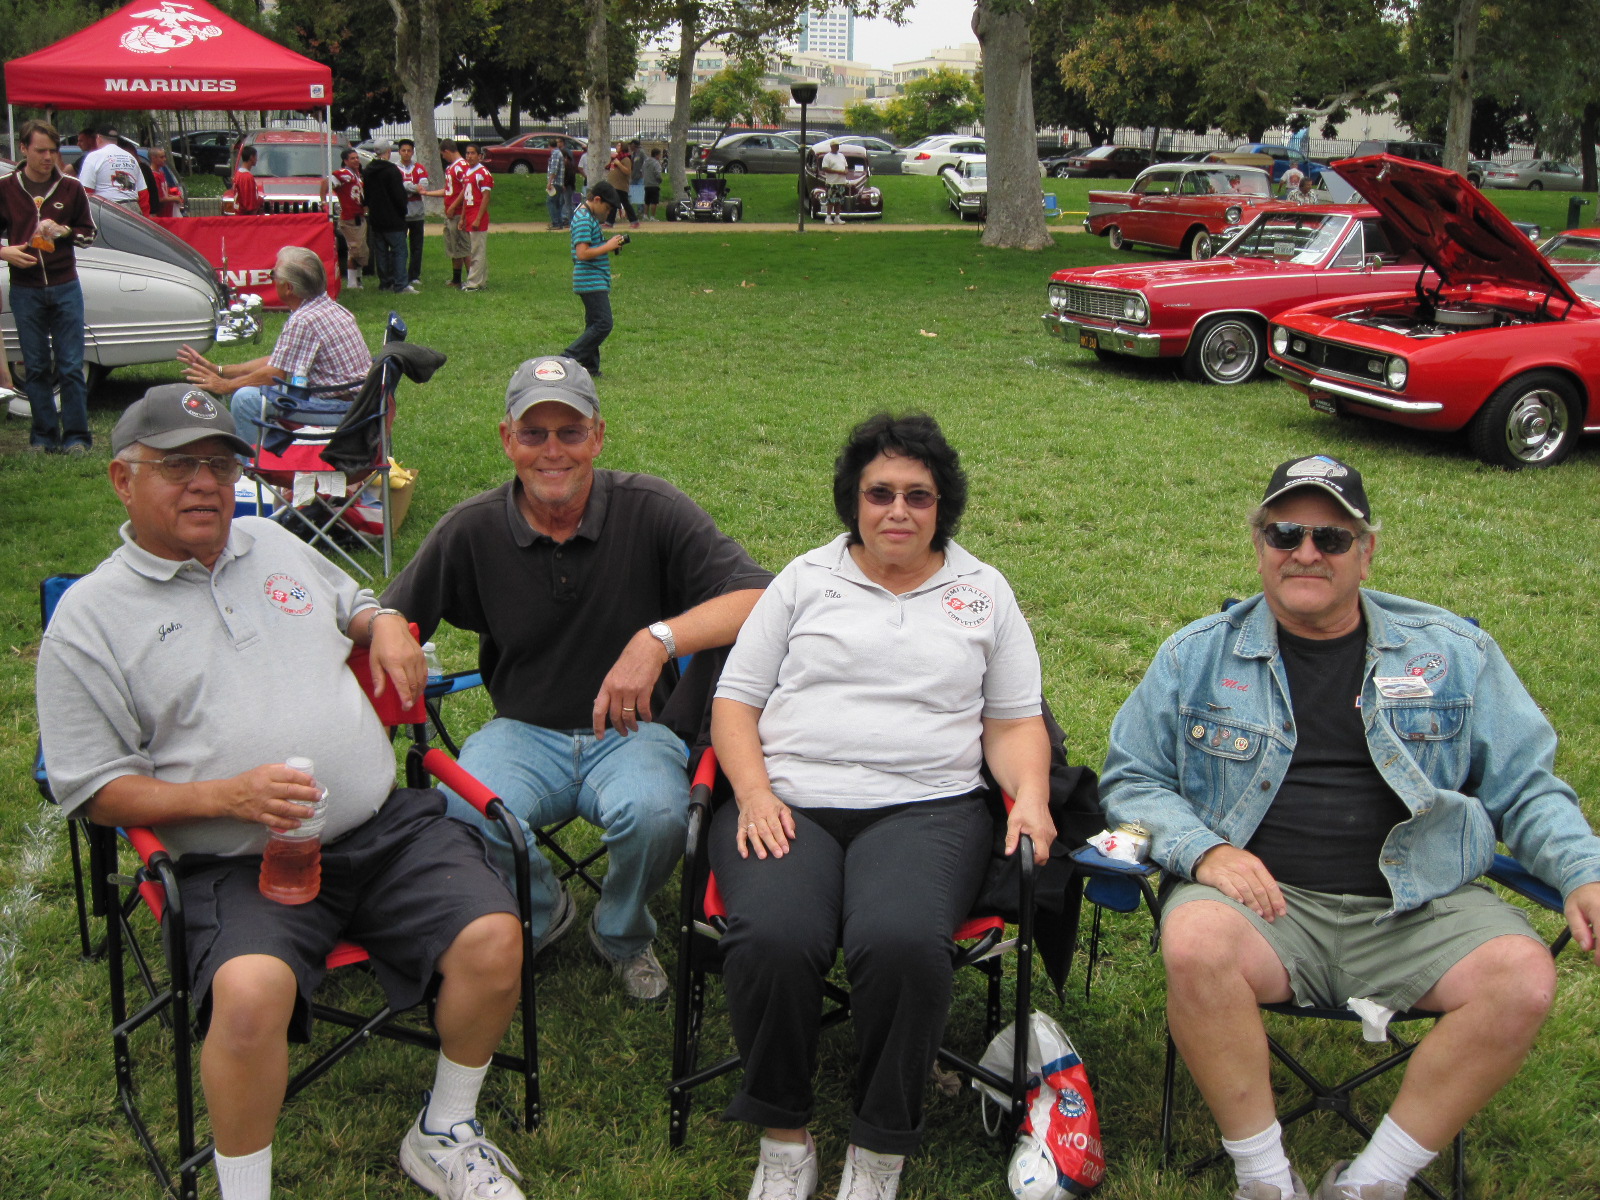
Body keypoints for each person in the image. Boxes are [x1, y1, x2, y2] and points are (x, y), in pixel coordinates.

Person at [37, 384, 529, 1200]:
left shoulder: (270, 540)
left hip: (381, 829)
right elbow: (95, 792)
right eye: (178, 465)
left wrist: (386, 626)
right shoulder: (90, 620)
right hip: (236, 860)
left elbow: (356, 602)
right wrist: (227, 797)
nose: (206, 482)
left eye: (221, 463)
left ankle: (444, 1130)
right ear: (124, 481)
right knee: (249, 993)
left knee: (493, 937)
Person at [1099, 455, 1600, 1200]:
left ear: (1367, 553)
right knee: (1195, 942)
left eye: (1332, 539)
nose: (1306, 552)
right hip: (1264, 909)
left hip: (1417, 902)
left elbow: (1524, 785)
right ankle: (1265, 1181)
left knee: (1523, 977)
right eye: (1285, 533)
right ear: (1261, 546)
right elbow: (1131, 779)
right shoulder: (1194, 656)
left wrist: (1582, 870)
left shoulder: (1452, 656)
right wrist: (1205, 851)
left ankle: (1374, 1182)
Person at [711, 412, 1054, 1200]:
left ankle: (877, 1152)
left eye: (918, 496)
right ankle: (785, 1139)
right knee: (774, 934)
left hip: (928, 806)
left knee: (901, 940)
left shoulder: (982, 591)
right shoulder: (803, 580)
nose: (898, 510)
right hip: (790, 798)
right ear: (853, 501)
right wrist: (754, 792)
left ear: (943, 506)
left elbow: (1011, 722)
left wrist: (1030, 794)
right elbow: (735, 702)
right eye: (880, 493)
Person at [381, 355, 771, 1002]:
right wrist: (389, 621)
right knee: (459, 810)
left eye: (571, 432)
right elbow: (390, 612)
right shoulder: (471, 528)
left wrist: (658, 638)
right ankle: (543, 907)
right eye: (534, 434)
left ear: (598, 436)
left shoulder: (651, 508)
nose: (552, 451)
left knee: (659, 813)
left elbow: (761, 595)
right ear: (508, 439)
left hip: (633, 731)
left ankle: (621, 931)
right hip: (522, 730)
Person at [178, 246, 371, 437]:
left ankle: (256, 465)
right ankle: (272, 456)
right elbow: (280, 361)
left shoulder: (303, 320)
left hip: (340, 409)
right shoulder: (328, 307)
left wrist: (225, 385)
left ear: (289, 288)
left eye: (274, 274)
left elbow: (275, 373)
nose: (272, 279)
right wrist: (220, 370)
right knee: (248, 390)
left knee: (244, 399)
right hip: (355, 403)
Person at [0, 120, 95, 454]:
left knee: (70, 366)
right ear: (23, 149)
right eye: (40, 150)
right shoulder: (6, 188)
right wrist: (4, 251)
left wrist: (65, 231)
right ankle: (42, 436)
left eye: (53, 151)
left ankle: (77, 437)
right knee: (36, 366)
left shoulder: (70, 187)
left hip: (65, 284)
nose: (47, 157)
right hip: (25, 289)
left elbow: (89, 233)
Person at [564, 182, 626, 377]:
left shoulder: (587, 216)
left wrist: (610, 245)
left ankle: (590, 367)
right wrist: (607, 246)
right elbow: (582, 253)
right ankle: (567, 358)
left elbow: (592, 246)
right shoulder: (583, 218)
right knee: (603, 323)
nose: (607, 214)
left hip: (594, 279)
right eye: (607, 209)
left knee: (593, 324)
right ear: (597, 200)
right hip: (590, 280)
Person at [362, 141, 413, 294]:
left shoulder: (368, 170)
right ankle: (401, 284)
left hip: (376, 217)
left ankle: (385, 282)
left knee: (381, 251)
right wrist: (402, 210)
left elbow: (367, 194)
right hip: (393, 217)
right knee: (399, 251)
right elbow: (398, 195)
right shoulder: (392, 171)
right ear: (388, 151)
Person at [422, 139, 469, 287]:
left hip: (458, 213)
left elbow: (466, 188)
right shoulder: (451, 168)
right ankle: (456, 279)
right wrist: (427, 193)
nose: (443, 158)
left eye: (443, 155)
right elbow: (449, 191)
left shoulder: (461, 167)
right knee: (454, 246)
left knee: (464, 247)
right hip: (450, 213)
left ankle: (472, 278)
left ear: (447, 151)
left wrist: (454, 206)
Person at [450, 143, 494, 292]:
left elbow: (486, 197)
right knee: (476, 249)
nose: (469, 156)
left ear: (479, 156)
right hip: (469, 214)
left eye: (472, 153)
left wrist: (478, 218)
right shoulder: (468, 172)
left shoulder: (483, 173)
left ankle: (473, 283)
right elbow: (466, 198)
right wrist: (462, 217)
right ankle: (480, 280)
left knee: (476, 251)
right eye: (467, 153)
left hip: (477, 216)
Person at [324, 147, 369, 291]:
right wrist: (323, 200)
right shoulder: (343, 173)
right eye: (352, 158)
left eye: (357, 158)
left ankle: (357, 279)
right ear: (345, 161)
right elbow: (326, 183)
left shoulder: (356, 174)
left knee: (361, 250)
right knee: (355, 250)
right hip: (349, 218)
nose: (356, 160)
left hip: (359, 216)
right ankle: (352, 282)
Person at [78, 127, 149, 215]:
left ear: (98, 138)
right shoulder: (130, 157)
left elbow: (85, 191)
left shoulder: (94, 156)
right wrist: (145, 220)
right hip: (134, 208)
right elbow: (143, 193)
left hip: (108, 210)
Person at [397, 139, 429, 288]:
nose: (406, 153)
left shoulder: (420, 168)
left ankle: (414, 275)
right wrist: (412, 187)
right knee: (400, 245)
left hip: (417, 213)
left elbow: (423, 187)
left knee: (417, 246)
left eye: (409, 150)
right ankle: (400, 273)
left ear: (413, 151)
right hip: (401, 213)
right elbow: (395, 186)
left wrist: (405, 187)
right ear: (399, 151)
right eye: (403, 150)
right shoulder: (395, 168)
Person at [604, 141, 640, 229]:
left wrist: (619, 164)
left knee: (625, 203)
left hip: (620, 186)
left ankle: (634, 220)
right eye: (617, 145)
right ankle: (609, 222)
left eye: (619, 145)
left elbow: (627, 171)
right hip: (614, 185)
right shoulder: (617, 158)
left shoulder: (625, 159)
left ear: (623, 147)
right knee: (613, 203)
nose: (617, 146)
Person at [819, 140, 850, 225]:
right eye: (835, 146)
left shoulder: (841, 156)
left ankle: (837, 217)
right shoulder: (827, 157)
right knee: (831, 200)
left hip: (841, 182)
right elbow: (825, 168)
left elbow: (846, 165)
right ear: (831, 147)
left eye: (838, 145)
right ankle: (828, 217)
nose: (837, 147)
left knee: (839, 200)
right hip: (832, 182)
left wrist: (846, 170)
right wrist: (838, 171)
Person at [149, 147, 185, 217]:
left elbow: (164, 193)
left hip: (168, 212)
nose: (164, 159)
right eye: (161, 157)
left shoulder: (161, 173)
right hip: (160, 213)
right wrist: (174, 198)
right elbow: (157, 198)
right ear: (153, 158)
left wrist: (174, 196)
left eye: (164, 157)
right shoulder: (153, 176)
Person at [232, 145, 264, 215]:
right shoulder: (247, 177)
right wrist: (260, 201)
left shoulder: (238, 174)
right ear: (251, 157)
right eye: (255, 156)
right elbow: (249, 204)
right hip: (245, 218)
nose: (256, 159)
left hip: (238, 214)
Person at [545, 135, 569, 230]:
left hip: (555, 182)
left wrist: (550, 182)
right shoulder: (560, 153)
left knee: (550, 202)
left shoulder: (555, 154)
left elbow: (554, 170)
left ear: (549, 146)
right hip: (559, 182)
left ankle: (556, 222)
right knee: (557, 203)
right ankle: (559, 222)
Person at [641, 147, 664, 221]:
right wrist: (660, 180)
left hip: (647, 184)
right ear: (656, 155)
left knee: (646, 201)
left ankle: (645, 215)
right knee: (654, 201)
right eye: (659, 155)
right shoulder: (656, 163)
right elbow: (657, 173)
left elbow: (642, 171)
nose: (660, 156)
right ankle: (652, 217)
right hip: (654, 184)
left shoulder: (645, 162)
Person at [627, 138, 646, 220]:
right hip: (634, 177)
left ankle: (640, 211)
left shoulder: (641, 152)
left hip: (640, 177)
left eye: (631, 145)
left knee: (639, 194)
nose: (630, 147)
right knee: (632, 194)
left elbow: (645, 162)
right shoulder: (634, 153)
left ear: (634, 145)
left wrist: (642, 172)